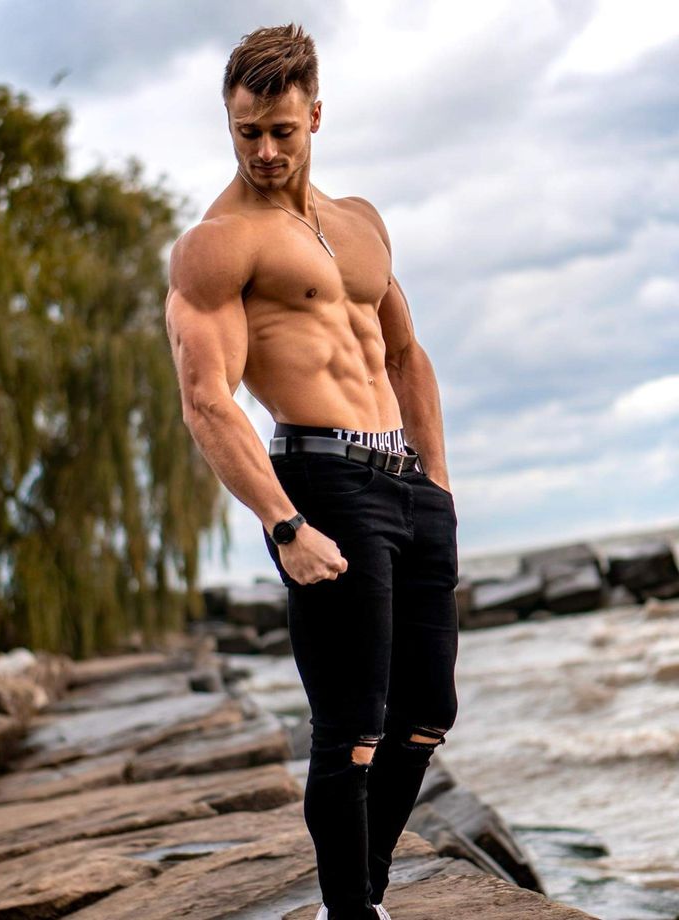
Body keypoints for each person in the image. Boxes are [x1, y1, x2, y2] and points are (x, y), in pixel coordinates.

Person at [165, 23, 459, 920]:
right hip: (320, 483)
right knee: (353, 729)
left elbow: (406, 355)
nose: (263, 149)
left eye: (281, 131)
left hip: (405, 485)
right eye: (246, 130)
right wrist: (283, 525)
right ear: (229, 122)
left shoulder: (362, 224)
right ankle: (352, 910)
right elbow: (208, 400)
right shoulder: (217, 245)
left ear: (316, 117)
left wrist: (437, 485)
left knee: (426, 715)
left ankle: (357, 893)